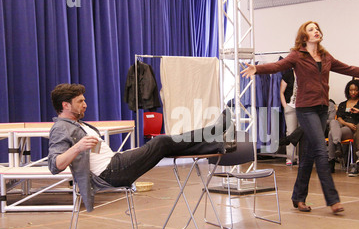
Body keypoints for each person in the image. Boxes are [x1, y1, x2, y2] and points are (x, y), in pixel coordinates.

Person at [241, 21, 359, 214]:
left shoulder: (325, 56)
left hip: (322, 109)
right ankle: (333, 200)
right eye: (311, 29)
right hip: (305, 109)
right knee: (321, 151)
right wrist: (257, 69)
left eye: (317, 29)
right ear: (304, 36)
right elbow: (278, 65)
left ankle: (298, 197)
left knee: (309, 155)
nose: (316, 31)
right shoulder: (297, 55)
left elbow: (349, 69)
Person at [48, 84, 234, 212]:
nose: (85, 104)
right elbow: (55, 166)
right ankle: (213, 133)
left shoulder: (80, 125)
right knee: (160, 143)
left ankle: (218, 143)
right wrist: (77, 147)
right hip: (110, 173)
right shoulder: (60, 128)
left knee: (164, 147)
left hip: (115, 164)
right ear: (66, 105)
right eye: (80, 101)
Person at [328, 79, 359, 172]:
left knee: (331, 133)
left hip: (354, 128)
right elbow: (339, 118)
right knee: (333, 122)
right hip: (343, 125)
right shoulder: (342, 104)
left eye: (356, 90)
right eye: (351, 90)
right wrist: (347, 124)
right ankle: (337, 144)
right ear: (348, 91)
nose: (353, 92)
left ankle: (331, 161)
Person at [280, 69, 298, 165]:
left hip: (303, 107)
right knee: (291, 132)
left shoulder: (305, 72)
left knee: (303, 132)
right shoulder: (288, 74)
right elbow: (281, 92)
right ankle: (290, 158)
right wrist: (285, 106)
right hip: (290, 106)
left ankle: (301, 157)